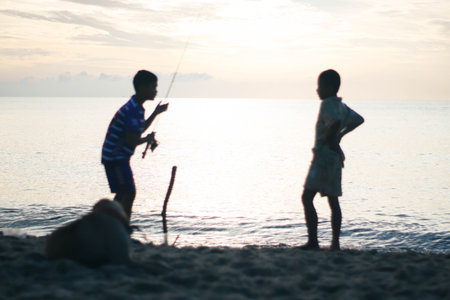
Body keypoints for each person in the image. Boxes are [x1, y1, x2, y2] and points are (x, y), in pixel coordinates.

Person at [300, 69, 364, 251]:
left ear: (328, 88)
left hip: (323, 156)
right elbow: (358, 119)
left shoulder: (327, 104)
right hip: (334, 157)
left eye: (319, 86)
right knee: (333, 201)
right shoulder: (340, 105)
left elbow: (335, 122)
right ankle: (335, 243)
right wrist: (340, 137)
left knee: (307, 197)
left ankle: (313, 241)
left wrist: (331, 137)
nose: (317, 90)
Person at [101, 70, 168, 220]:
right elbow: (132, 139)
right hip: (115, 157)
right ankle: (121, 226)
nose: (155, 91)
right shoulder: (133, 109)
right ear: (142, 87)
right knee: (128, 192)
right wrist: (146, 139)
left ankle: (116, 225)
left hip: (116, 156)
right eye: (153, 87)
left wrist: (156, 113)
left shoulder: (137, 107)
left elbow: (139, 129)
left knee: (124, 192)